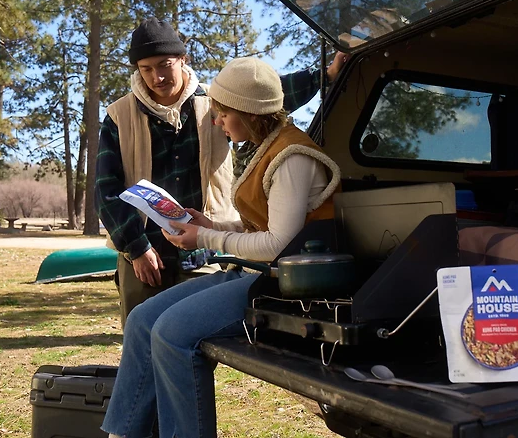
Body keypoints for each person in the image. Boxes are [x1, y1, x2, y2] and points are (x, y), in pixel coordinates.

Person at [102, 57, 341, 438]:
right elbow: (261, 225)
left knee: (172, 334)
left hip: (284, 287)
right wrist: (212, 224)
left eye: (222, 113)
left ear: (248, 113)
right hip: (253, 273)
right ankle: (124, 433)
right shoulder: (267, 147)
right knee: (142, 320)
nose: (216, 122)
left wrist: (206, 238)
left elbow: (279, 245)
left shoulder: (292, 158)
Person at [95, 17, 348, 326]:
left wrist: (327, 74)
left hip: (204, 249)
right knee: (140, 330)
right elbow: (106, 190)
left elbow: (267, 97)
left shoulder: (216, 103)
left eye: (164, 65)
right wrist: (136, 248)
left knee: (191, 343)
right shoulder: (118, 116)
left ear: (183, 59)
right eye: (146, 69)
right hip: (146, 252)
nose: (157, 77)